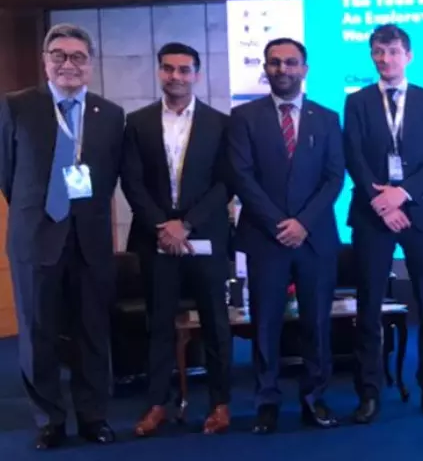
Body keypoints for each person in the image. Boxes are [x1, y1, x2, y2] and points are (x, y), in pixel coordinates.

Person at [0, 23, 125, 450]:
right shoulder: (16, 106)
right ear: (45, 61)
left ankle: (93, 417)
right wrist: (43, 209)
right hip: (35, 238)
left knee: (92, 332)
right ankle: (49, 420)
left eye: (77, 57)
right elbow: (8, 174)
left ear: (90, 64)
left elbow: (108, 178)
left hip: (89, 240)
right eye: (59, 55)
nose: (68, 64)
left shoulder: (110, 114)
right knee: (38, 333)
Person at [227, 38, 345, 434]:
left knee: (317, 323)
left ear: (304, 69)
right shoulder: (244, 117)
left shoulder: (326, 118)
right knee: (265, 325)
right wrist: (280, 223)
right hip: (265, 238)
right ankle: (266, 402)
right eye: (275, 62)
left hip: (315, 238)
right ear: (266, 69)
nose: (283, 69)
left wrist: (303, 223)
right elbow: (241, 176)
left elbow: (334, 177)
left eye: (291, 62)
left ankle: (315, 398)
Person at [121, 42, 234, 437]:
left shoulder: (221, 123)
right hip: (155, 240)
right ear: (159, 72)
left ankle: (220, 403)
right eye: (168, 69)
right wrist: (162, 225)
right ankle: (157, 403)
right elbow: (131, 181)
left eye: (184, 70)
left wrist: (186, 225)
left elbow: (226, 182)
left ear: (196, 75)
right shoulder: (137, 123)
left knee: (216, 323)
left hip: (205, 237)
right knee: (159, 323)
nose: (176, 76)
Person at [345, 24, 423, 423]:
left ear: (408, 56)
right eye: (378, 51)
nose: (384, 59)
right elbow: (353, 156)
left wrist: (402, 194)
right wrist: (382, 203)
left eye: (392, 51)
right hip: (372, 214)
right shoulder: (356, 102)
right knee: (369, 305)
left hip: (420, 212)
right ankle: (369, 393)